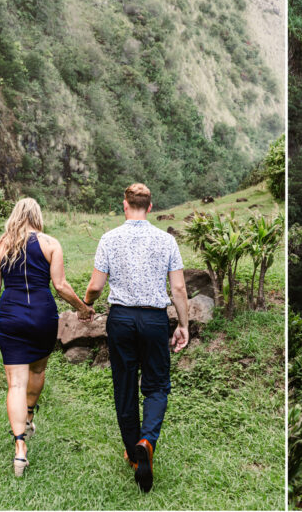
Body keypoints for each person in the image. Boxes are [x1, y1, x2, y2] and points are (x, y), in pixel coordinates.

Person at [81, 183, 189, 493]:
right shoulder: (166, 240)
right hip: (155, 319)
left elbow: (96, 285)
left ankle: (133, 454)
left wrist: (86, 305)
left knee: (124, 384)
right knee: (156, 384)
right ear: (151, 207)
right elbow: (179, 290)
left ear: (125, 205)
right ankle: (146, 441)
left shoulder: (109, 238)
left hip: (122, 319)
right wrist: (183, 325)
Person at [0, 198, 94, 477]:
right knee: (38, 369)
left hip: (10, 315)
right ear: (37, 215)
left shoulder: (1, 245)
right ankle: (30, 414)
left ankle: (19, 449)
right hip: (42, 316)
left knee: (15, 384)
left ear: (15, 215)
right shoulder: (50, 243)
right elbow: (60, 285)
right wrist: (82, 308)